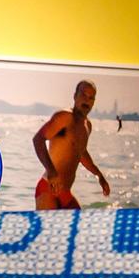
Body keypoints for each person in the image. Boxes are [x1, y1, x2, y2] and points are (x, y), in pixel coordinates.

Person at [31, 80, 110, 210]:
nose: (87, 100)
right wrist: (51, 172)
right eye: (83, 95)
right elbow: (38, 139)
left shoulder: (87, 126)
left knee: (78, 228)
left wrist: (99, 175)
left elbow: (81, 153)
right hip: (48, 188)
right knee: (47, 230)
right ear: (75, 96)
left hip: (65, 192)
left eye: (91, 98)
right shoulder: (64, 117)